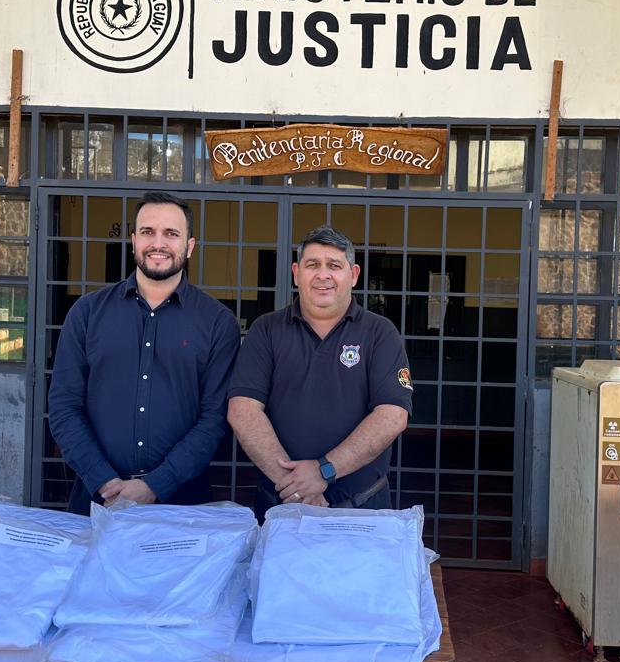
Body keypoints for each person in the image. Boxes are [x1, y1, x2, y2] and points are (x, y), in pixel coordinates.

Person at [48, 191, 239, 515]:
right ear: (134, 240)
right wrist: (104, 481)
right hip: (96, 500)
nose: (158, 243)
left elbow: (215, 418)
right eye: (148, 232)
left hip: (181, 504)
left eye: (171, 234)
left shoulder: (217, 322)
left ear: (189, 246)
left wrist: (155, 485)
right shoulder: (87, 313)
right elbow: (64, 406)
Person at [228, 225, 412, 517]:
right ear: (296, 273)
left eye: (334, 266)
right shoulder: (266, 330)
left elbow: (392, 415)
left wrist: (324, 471)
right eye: (312, 264)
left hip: (362, 507)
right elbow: (243, 411)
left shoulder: (380, 332)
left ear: (353, 275)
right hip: (280, 504)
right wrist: (297, 487)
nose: (323, 275)